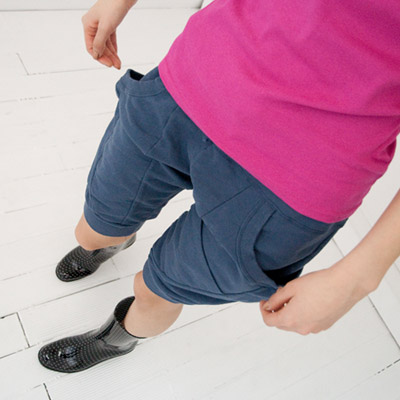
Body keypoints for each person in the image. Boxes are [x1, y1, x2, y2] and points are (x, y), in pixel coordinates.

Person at [38, 0, 400, 373]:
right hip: (198, 78)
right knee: (94, 228)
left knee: (155, 290)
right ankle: (112, 242)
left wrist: (358, 278)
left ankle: (117, 338)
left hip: (301, 178)